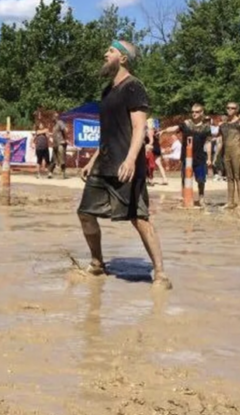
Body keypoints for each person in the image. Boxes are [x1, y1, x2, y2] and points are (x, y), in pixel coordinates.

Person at [77, 41, 169, 289]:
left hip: (126, 165)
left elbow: (139, 127)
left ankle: (160, 273)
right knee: (85, 214)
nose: (105, 54)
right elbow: (108, 133)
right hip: (103, 164)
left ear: (124, 58)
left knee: (139, 218)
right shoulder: (107, 92)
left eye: (111, 51)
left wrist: (130, 159)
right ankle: (97, 263)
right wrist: (93, 160)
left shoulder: (134, 87)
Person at [160, 103, 213, 206]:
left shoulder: (206, 127)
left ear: (202, 113)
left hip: (200, 157)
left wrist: (209, 158)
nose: (194, 114)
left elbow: (208, 142)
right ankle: (185, 196)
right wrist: (165, 130)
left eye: (197, 112)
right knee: (185, 178)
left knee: (201, 180)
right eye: (192, 112)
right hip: (186, 157)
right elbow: (176, 128)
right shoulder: (186, 124)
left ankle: (201, 197)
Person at [215, 102, 240, 209]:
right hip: (226, 152)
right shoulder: (223, 124)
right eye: (228, 108)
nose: (230, 110)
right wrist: (216, 155)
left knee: (238, 177)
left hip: (236, 151)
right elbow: (219, 140)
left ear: (237, 110)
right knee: (229, 177)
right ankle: (230, 202)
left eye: (232, 108)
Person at [145, 118, 169, 186]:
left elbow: (151, 140)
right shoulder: (156, 131)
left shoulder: (149, 131)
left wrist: (147, 146)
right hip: (157, 147)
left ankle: (150, 179)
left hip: (152, 148)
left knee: (149, 164)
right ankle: (165, 179)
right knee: (159, 164)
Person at [49, 112, 69, 179]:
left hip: (60, 144)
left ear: (56, 117)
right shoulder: (54, 125)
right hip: (55, 144)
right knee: (53, 159)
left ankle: (63, 173)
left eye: (53, 117)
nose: (52, 118)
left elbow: (66, 130)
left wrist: (65, 139)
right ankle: (50, 173)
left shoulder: (60, 122)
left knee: (62, 159)